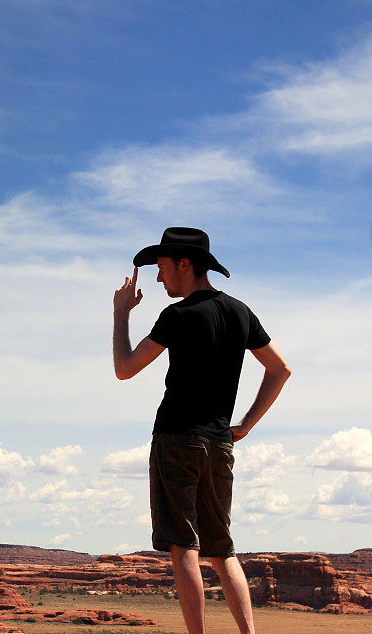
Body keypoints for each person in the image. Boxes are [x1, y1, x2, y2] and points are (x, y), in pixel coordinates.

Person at [113, 227, 291, 634]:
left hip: (177, 439)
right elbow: (280, 369)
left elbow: (124, 368)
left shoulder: (177, 316)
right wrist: (245, 425)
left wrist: (121, 312)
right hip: (219, 443)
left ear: (184, 263)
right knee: (222, 550)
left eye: (161, 268)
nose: (159, 279)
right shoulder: (240, 312)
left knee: (184, 549)